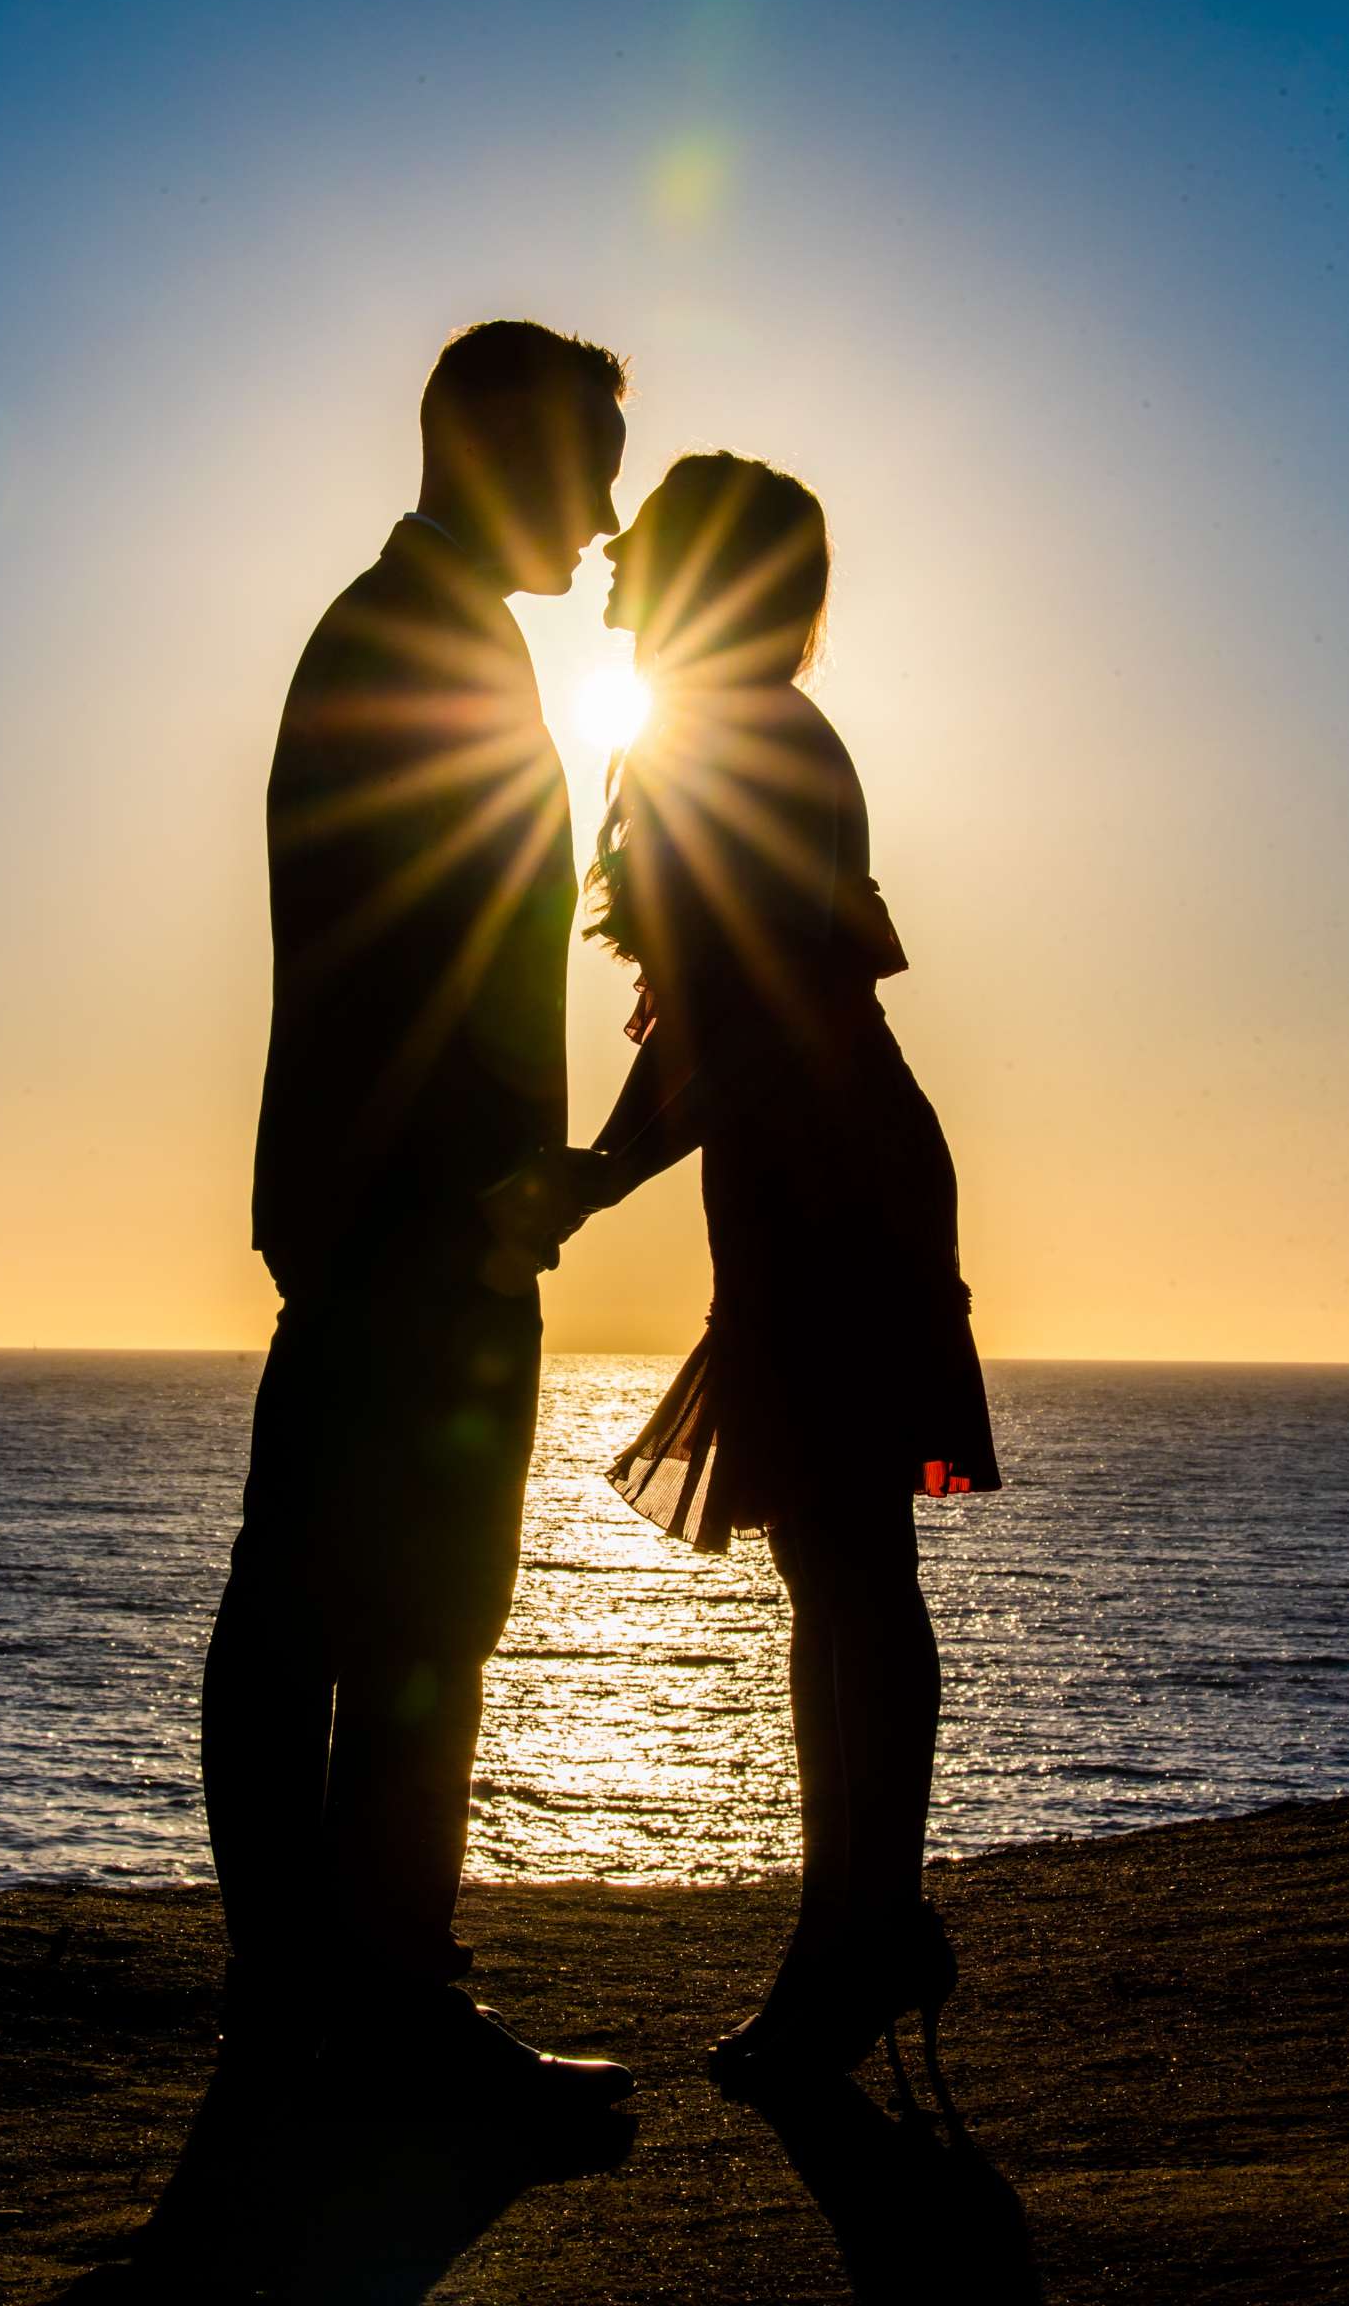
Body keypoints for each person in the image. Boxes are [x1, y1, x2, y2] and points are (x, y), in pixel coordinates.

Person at [202, 321, 633, 2110]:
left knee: (323, 1602)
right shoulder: (418, 641)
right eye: (592, 463)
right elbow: (420, 959)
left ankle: (313, 1996)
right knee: (404, 1613)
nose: (607, 512)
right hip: (421, 1220)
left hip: (384, 1207)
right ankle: (375, 2006)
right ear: (497, 450)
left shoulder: (408, 629)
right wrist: (482, 1200)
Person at [563, 452, 1001, 2081]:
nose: (610, 561)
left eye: (645, 543)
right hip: (812, 1167)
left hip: (826, 1174)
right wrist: (610, 1162)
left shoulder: (729, 737)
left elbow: (743, 1020)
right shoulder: (730, 730)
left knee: (845, 1564)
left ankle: (857, 1938)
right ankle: (860, 1929)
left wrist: (600, 1175)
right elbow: (711, 1012)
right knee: (840, 1566)